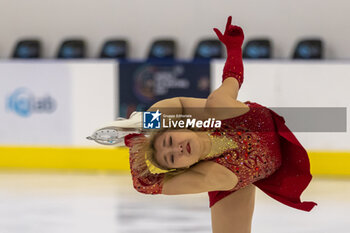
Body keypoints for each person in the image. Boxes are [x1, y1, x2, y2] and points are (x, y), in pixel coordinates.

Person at [90, 16, 317, 233]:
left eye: (169, 141)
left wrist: (234, 48)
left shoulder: (213, 113)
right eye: (171, 158)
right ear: (179, 168)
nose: (176, 149)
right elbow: (143, 184)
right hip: (237, 178)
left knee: (215, 104)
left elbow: (231, 79)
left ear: (178, 129)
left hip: (251, 123)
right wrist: (136, 144)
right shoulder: (215, 176)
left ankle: (145, 121)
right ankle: (145, 126)